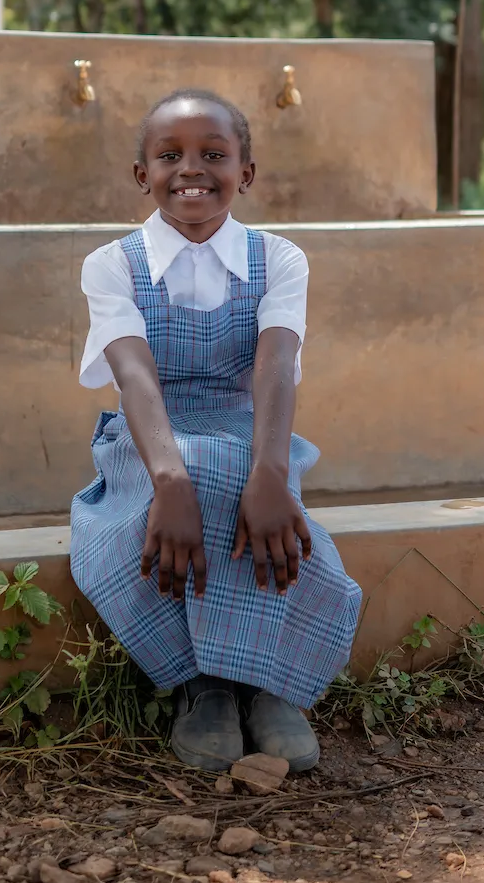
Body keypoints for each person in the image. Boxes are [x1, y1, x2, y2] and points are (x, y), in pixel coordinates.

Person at [68, 88, 362, 772]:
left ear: (246, 172)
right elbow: (135, 377)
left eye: (213, 154)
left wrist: (270, 471)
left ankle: (266, 684)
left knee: (237, 471)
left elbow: (278, 365)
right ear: (142, 175)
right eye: (169, 155)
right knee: (200, 468)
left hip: (252, 432)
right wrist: (168, 478)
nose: (190, 169)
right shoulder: (112, 264)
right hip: (146, 441)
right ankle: (209, 685)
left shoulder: (279, 259)